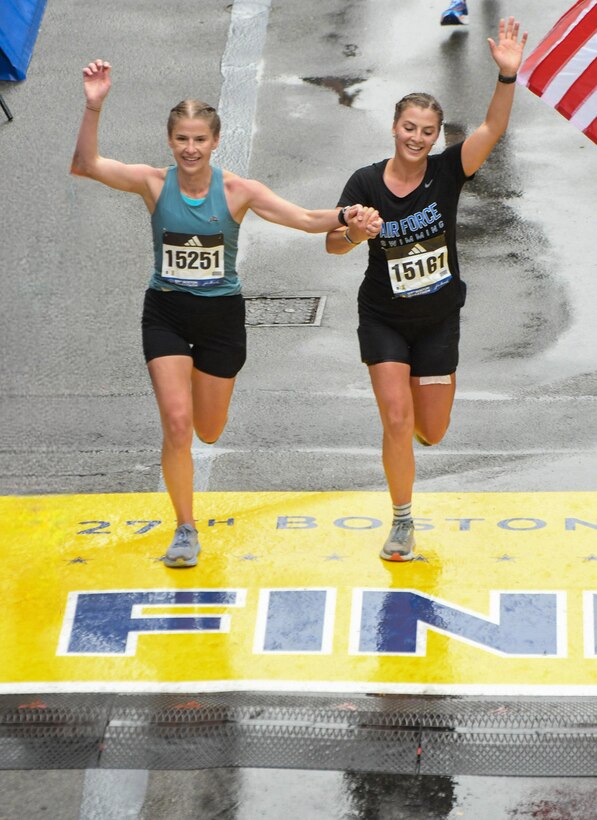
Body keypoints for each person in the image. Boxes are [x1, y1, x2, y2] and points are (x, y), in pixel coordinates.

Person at [71, 59, 381, 568]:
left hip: (220, 322)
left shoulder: (238, 191)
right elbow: (85, 164)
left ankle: (198, 390)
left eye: (199, 139)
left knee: (208, 430)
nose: (190, 149)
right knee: (176, 423)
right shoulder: (152, 183)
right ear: (170, 142)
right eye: (181, 140)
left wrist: (349, 216)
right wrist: (93, 104)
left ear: (215, 143)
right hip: (166, 313)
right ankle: (185, 529)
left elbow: (304, 219)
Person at [326, 18, 527, 562]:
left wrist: (507, 75)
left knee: (430, 431)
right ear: (394, 127)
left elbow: (491, 129)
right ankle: (401, 521)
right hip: (384, 319)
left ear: (436, 136)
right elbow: (332, 246)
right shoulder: (366, 183)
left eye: (427, 131)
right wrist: (354, 231)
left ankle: (413, 442)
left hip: (438, 319)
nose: (417, 138)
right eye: (409, 127)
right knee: (395, 417)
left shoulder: (447, 171)